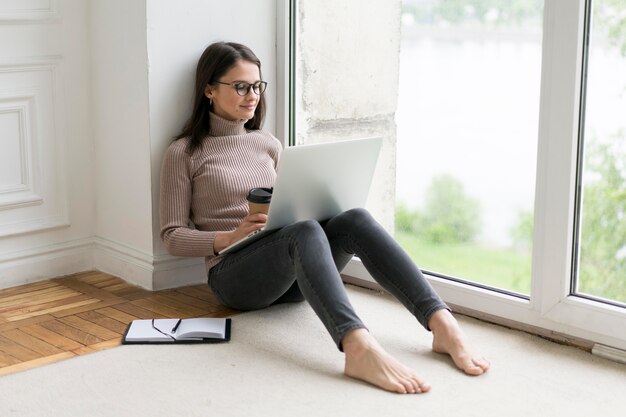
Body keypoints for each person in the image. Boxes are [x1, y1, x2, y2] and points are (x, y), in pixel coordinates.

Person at [160, 41, 490, 394]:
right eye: (240, 86)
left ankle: (442, 323)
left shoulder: (267, 143)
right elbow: (171, 235)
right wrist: (228, 237)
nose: (251, 95)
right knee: (302, 231)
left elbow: (294, 207)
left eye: (257, 85)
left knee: (354, 219)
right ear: (209, 89)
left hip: (293, 275)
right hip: (233, 277)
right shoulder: (184, 153)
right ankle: (357, 347)